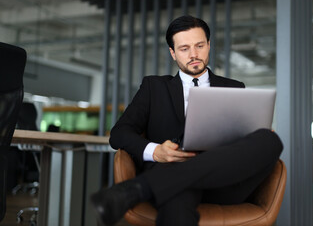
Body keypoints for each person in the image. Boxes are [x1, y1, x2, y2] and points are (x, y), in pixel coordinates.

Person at [91, 15, 283, 226]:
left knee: (270, 140)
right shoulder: (154, 88)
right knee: (176, 198)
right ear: (173, 53)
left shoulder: (235, 87)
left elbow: (245, 141)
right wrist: (155, 151)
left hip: (223, 183)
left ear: (209, 45)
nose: (194, 54)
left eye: (199, 46)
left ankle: (142, 187)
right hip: (173, 181)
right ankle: (158, 183)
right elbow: (119, 133)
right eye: (184, 49)